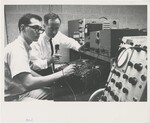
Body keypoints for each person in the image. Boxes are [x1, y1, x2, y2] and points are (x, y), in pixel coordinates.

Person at [4, 13, 76, 101]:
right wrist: (62, 73)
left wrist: (48, 82)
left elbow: (28, 70)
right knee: (57, 106)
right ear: (22, 28)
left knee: (57, 92)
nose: (39, 32)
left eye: (40, 29)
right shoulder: (17, 49)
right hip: (13, 97)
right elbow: (28, 83)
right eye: (35, 28)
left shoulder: (24, 46)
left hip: (22, 90)